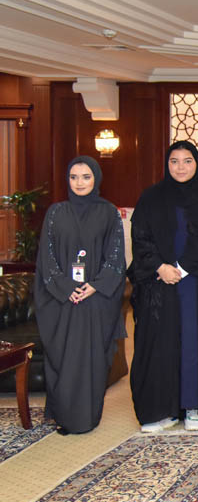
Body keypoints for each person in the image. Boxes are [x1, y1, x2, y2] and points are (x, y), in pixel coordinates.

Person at [129, 141, 198, 433]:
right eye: (174, 161)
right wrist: (160, 266)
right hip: (159, 283)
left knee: (197, 344)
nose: (181, 167)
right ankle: (164, 409)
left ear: (197, 164)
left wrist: (182, 268)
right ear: (166, 164)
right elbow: (140, 236)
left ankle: (193, 406)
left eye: (187, 161)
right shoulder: (151, 197)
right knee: (160, 344)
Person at [33, 156, 126, 435]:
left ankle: (87, 417)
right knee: (63, 358)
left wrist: (95, 286)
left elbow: (116, 256)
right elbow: (46, 258)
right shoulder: (55, 213)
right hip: (62, 300)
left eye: (86, 176)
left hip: (96, 299)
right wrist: (65, 288)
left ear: (96, 178)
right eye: (74, 177)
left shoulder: (108, 213)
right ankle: (64, 415)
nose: (79, 182)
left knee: (93, 359)